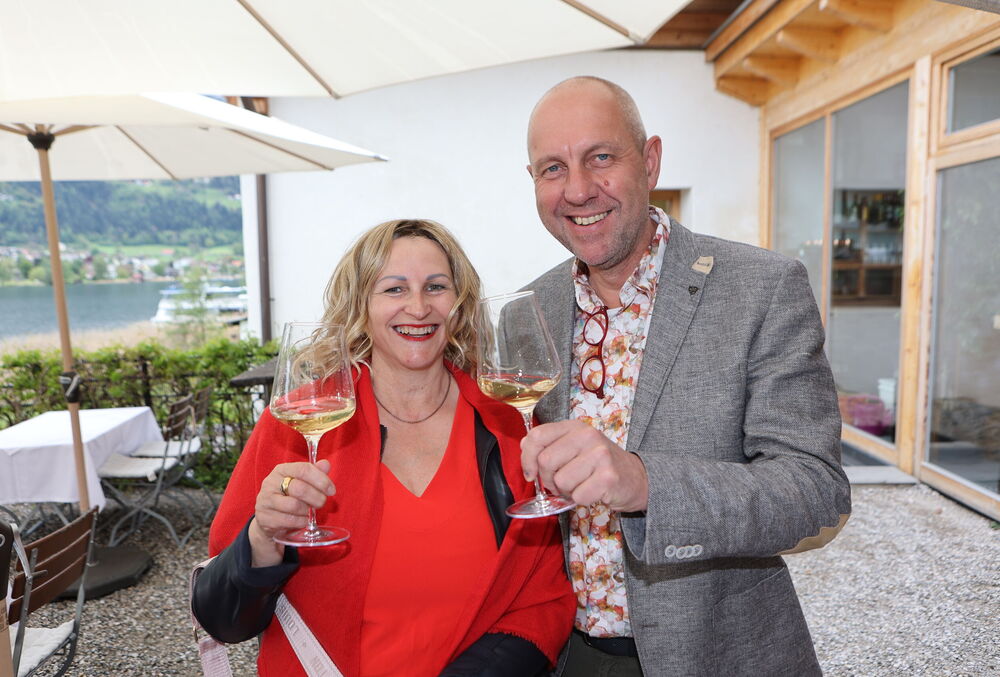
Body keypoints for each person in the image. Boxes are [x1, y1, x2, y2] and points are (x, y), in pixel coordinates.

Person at [521, 76, 852, 676]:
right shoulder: (532, 306)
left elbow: (815, 490)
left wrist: (647, 484)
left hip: (715, 655)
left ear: (650, 161)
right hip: (563, 655)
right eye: (552, 168)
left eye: (601, 157)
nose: (578, 189)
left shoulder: (762, 288)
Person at [192, 219, 574, 677]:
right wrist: (262, 539)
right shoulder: (298, 422)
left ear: (459, 305)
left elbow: (541, 600)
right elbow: (223, 619)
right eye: (394, 289)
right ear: (360, 307)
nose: (418, 307)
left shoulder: (507, 425)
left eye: (436, 287)